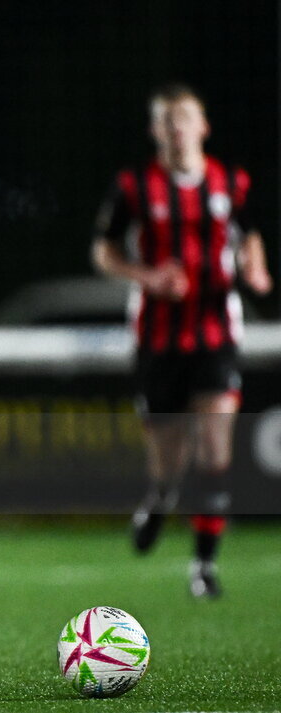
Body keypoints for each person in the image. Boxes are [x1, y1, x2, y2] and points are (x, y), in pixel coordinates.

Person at [92, 83, 272, 598]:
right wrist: (147, 277)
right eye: (166, 120)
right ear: (155, 131)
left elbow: (250, 231)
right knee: (169, 464)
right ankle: (161, 498)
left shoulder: (230, 181)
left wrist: (256, 268)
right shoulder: (134, 186)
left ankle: (204, 566)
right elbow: (103, 252)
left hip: (216, 333)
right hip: (158, 339)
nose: (176, 128)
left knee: (215, 449)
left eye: (185, 118)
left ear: (203, 126)